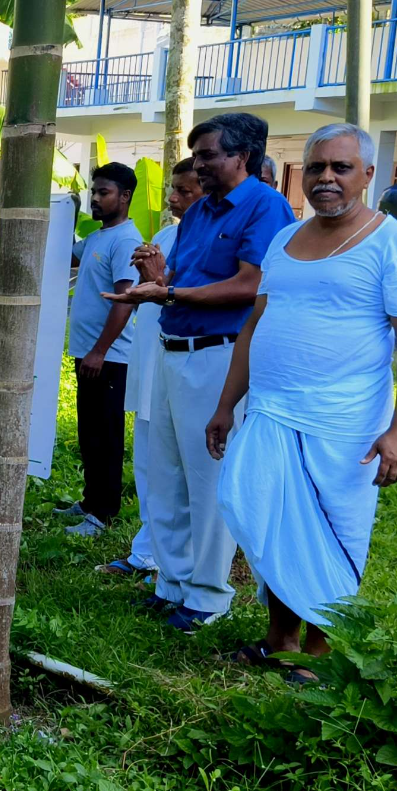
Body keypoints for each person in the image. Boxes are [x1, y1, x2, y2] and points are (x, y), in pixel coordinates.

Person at [208, 124, 397, 682]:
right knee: (270, 519)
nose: (326, 178)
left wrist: (395, 430)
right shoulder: (284, 238)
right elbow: (254, 325)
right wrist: (226, 405)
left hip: (344, 424)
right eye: (316, 168)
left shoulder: (388, 240)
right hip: (270, 411)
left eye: (341, 167)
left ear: (367, 175)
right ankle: (279, 639)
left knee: (332, 532)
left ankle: (319, 653)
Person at [105, 112, 296, 632]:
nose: (200, 165)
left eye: (210, 155)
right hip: (171, 348)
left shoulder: (267, 207)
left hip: (218, 355)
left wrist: (165, 292)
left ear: (244, 157)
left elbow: (251, 286)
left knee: (208, 479)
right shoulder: (200, 211)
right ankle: (172, 585)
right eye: (199, 155)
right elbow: (183, 279)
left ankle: (208, 596)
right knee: (164, 474)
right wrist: (156, 277)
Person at [97, 158, 205, 577]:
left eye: (184, 191)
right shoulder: (164, 235)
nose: (174, 199)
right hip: (149, 364)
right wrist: (148, 279)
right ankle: (148, 551)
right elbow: (151, 294)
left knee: (186, 472)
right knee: (149, 464)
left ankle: (185, 564)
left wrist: (163, 282)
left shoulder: (212, 241)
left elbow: (183, 294)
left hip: (185, 367)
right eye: (172, 191)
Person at [55, 162, 141, 536]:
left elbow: (126, 300)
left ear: (124, 197)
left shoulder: (125, 241)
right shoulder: (97, 236)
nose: (96, 198)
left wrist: (99, 351)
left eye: (103, 192)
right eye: (94, 192)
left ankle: (103, 513)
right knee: (90, 431)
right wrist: (69, 212)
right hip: (90, 354)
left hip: (109, 358)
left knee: (106, 435)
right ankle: (90, 501)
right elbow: (64, 257)